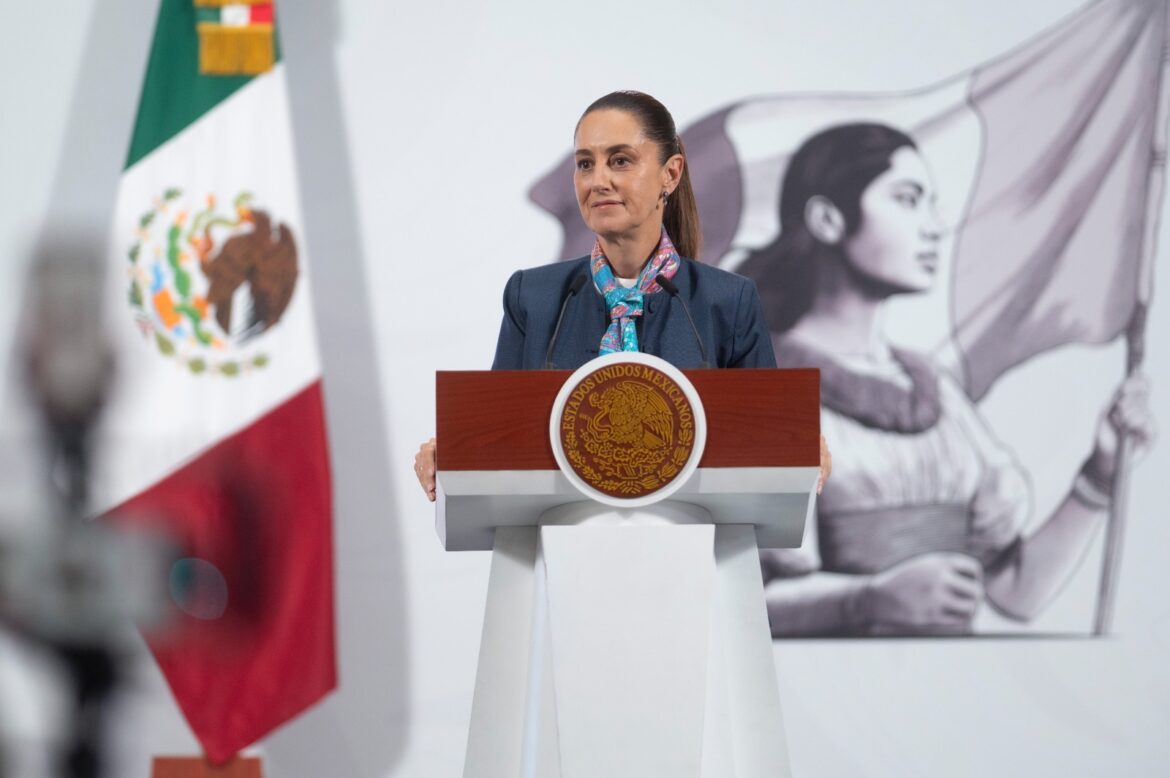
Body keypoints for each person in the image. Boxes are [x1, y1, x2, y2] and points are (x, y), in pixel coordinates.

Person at [738, 122, 1154, 636]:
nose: (934, 226)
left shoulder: (935, 391)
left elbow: (1015, 593)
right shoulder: (761, 388)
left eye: (932, 203)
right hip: (825, 701)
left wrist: (1101, 473)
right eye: (908, 199)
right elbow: (740, 603)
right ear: (827, 219)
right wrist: (867, 601)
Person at [414, 90, 832, 499]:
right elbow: (496, 440)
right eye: (584, 164)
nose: (598, 181)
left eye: (620, 161)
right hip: (563, 549)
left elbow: (767, 441)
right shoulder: (533, 297)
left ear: (671, 174)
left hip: (691, 551)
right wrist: (451, 455)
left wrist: (799, 449)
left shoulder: (727, 301)